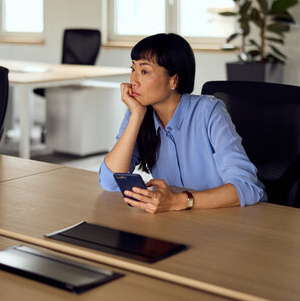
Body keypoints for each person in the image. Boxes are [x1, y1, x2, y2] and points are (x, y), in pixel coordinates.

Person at [98, 33, 266, 213]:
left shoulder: (208, 111)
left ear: (174, 80)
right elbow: (110, 181)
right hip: (182, 219)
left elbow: (247, 188)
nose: (133, 80)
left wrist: (179, 201)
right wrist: (136, 116)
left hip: (231, 217)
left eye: (144, 71)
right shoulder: (139, 112)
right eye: (133, 69)